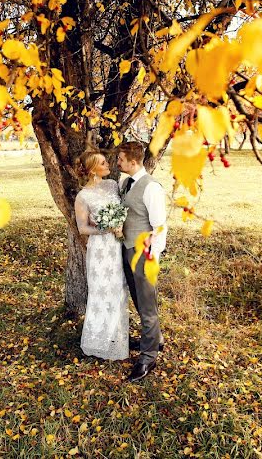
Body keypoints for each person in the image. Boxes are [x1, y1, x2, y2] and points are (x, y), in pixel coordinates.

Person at [116, 141, 167, 383]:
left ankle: (148, 356)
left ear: (133, 161)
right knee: (138, 299)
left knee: (147, 306)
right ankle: (154, 339)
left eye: (121, 159)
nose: (118, 163)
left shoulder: (151, 188)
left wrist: (152, 257)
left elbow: (159, 227)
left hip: (144, 254)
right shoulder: (124, 182)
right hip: (127, 249)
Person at [73, 150, 129, 361]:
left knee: (118, 292)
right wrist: (106, 228)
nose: (108, 165)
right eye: (103, 163)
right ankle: (98, 343)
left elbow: (124, 210)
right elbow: (82, 228)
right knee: (100, 293)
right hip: (100, 250)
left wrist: (120, 225)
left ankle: (117, 340)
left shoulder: (113, 185)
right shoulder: (83, 196)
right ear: (93, 169)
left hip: (117, 247)